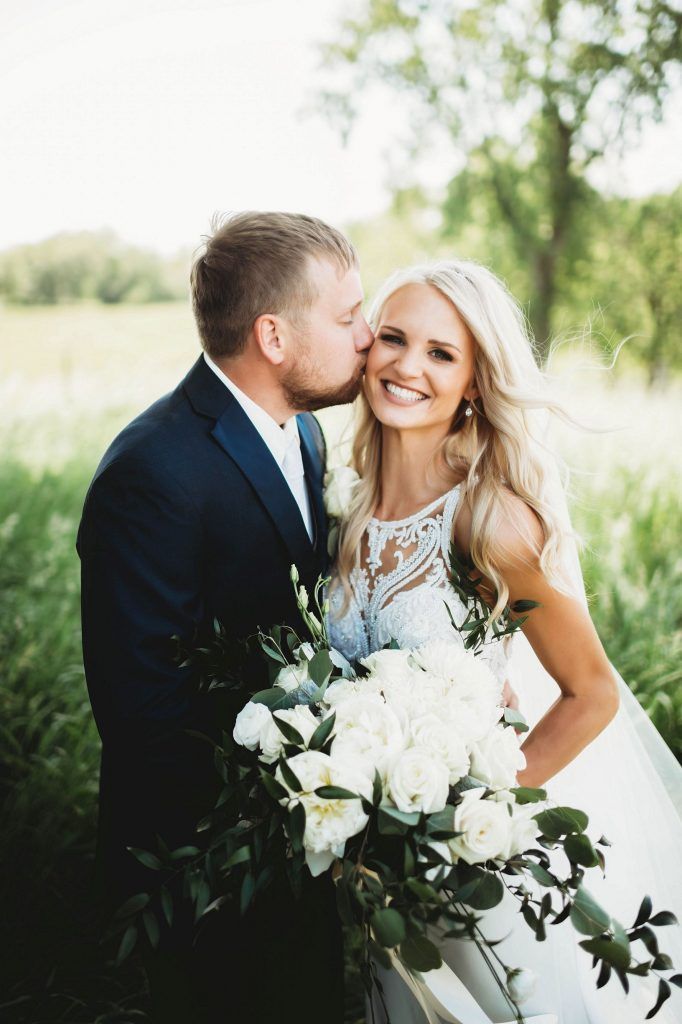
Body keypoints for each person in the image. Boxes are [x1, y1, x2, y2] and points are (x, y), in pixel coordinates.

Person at [328, 259, 682, 1023]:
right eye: (392, 337)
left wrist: (473, 815)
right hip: (371, 871)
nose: (405, 365)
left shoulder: (490, 521)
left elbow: (592, 694)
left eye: (441, 354)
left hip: (468, 868)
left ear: (476, 385)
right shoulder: (346, 508)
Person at [77, 211, 373, 1023]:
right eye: (347, 317)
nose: (369, 333)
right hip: (204, 874)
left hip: (297, 854)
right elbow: (145, 715)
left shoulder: (305, 432)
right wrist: (297, 804)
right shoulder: (154, 472)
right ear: (273, 337)